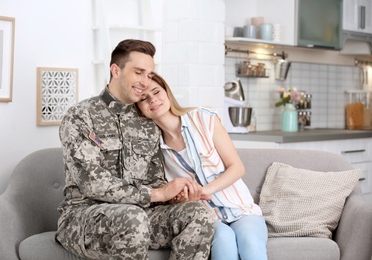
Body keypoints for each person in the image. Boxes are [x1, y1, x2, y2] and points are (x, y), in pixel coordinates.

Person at [55, 39, 215, 260]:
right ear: (116, 70)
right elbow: (92, 183)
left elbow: (155, 179)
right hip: (84, 217)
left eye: (149, 75)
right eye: (139, 72)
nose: (145, 81)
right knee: (132, 217)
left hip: (141, 214)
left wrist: (176, 196)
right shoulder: (81, 116)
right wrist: (156, 194)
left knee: (199, 214)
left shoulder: (147, 121)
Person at [136, 73, 268, 260]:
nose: (153, 100)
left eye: (156, 91)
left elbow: (237, 167)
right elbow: (165, 193)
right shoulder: (151, 147)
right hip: (207, 218)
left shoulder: (203, 118)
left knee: (251, 244)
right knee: (224, 240)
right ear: (139, 108)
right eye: (143, 98)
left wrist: (204, 190)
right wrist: (180, 197)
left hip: (241, 209)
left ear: (167, 92)